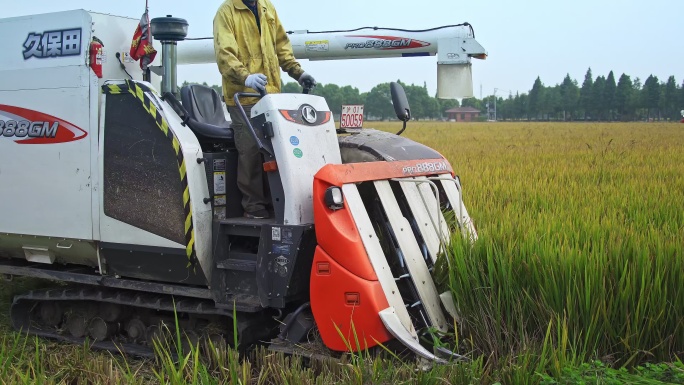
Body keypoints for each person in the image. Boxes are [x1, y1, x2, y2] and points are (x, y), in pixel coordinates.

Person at [214, 0, 316, 219]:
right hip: (243, 97)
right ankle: (253, 207)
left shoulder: (267, 8)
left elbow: (281, 47)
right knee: (250, 151)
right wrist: (245, 77)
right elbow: (225, 54)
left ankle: (277, 203)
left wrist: (299, 73)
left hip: (270, 97)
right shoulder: (227, 12)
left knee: (277, 150)